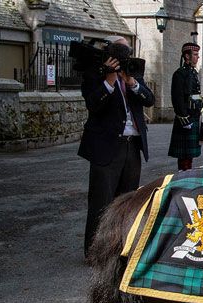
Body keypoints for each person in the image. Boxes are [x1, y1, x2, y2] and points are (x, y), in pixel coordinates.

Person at [79, 35, 155, 259]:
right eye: (119, 51)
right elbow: (93, 104)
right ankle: (94, 252)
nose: (124, 56)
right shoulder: (95, 73)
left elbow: (149, 99)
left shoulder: (132, 73)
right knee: (101, 201)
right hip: (107, 146)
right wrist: (109, 80)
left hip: (132, 146)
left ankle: (121, 247)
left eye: (127, 51)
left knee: (127, 200)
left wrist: (131, 82)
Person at [169, 42, 203, 171]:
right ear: (187, 56)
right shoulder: (180, 74)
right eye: (195, 54)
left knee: (190, 153)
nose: (197, 57)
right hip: (186, 117)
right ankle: (183, 175)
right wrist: (183, 117)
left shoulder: (193, 73)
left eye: (197, 54)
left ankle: (187, 174)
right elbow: (177, 98)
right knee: (184, 153)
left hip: (194, 115)